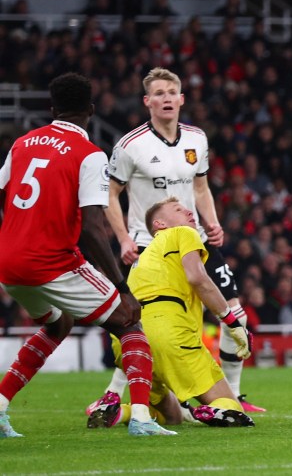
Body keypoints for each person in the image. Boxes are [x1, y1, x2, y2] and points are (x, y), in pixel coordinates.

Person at [0, 73, 174, 437]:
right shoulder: (89, 154)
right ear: (91, 110)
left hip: (9, 262)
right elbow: (92, 227)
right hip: (52, 262)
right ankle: (141, 418)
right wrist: (121, 286)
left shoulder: (22, 143)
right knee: (128, 322)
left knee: (58, 323)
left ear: (52, 109)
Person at [88, 67, 264, 416]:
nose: (166, 98)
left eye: (172, 92)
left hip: (194, 239)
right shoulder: (129, 145)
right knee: (140, 321)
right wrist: (122, 238)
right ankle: (114, 394)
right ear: (147, 101)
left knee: (236, 315)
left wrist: (212, 223)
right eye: (159, 93)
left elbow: (201, 187)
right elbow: (110, 193)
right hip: (148, 245)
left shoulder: (197, 139)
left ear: (182, 98)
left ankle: (236, 394)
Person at [98, 197, 254, 429]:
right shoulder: (183, 233)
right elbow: (198, 278)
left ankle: (123, 412)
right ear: (160, 224)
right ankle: (212, 410)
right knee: (233, 409)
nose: (189, 212)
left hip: (130, 342)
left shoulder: (141, 261)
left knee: (173, 417)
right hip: (169, 335)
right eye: (178, 210)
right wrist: (231, 322)